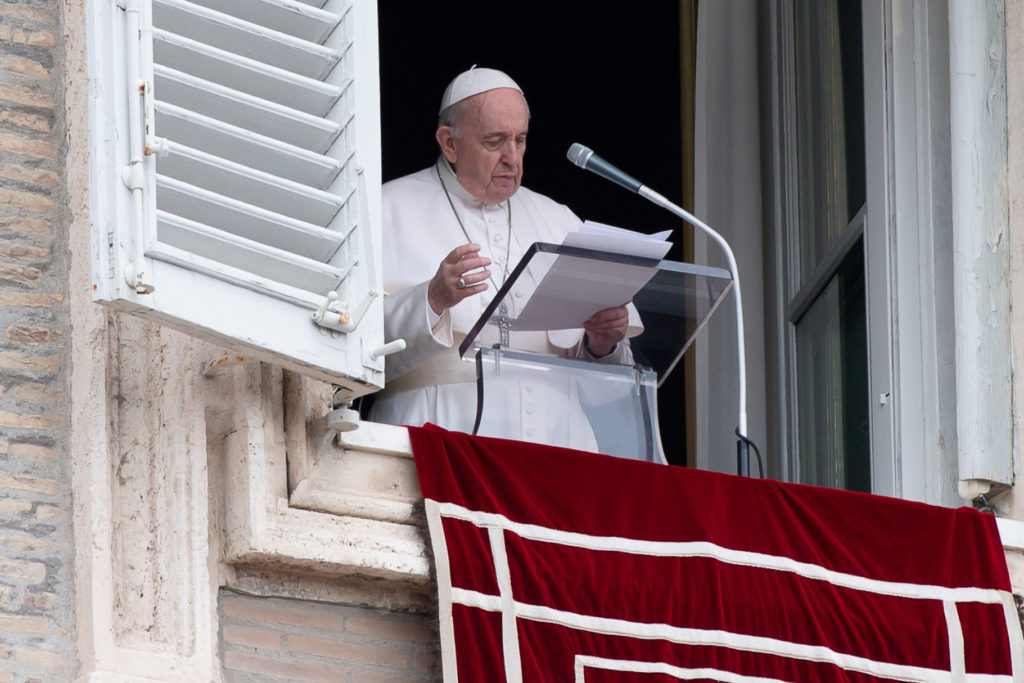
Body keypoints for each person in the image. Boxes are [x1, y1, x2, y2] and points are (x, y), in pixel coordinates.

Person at [369, 67, 640, 450]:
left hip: (559, 442)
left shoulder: (558, 219)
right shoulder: (384, 210)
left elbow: (609, 393)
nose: (512, 158)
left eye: (521, 140)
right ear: (449, 142)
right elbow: (350, 351)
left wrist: (602, 345)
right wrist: (430, 300)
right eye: (495, 141)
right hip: (436, 432)